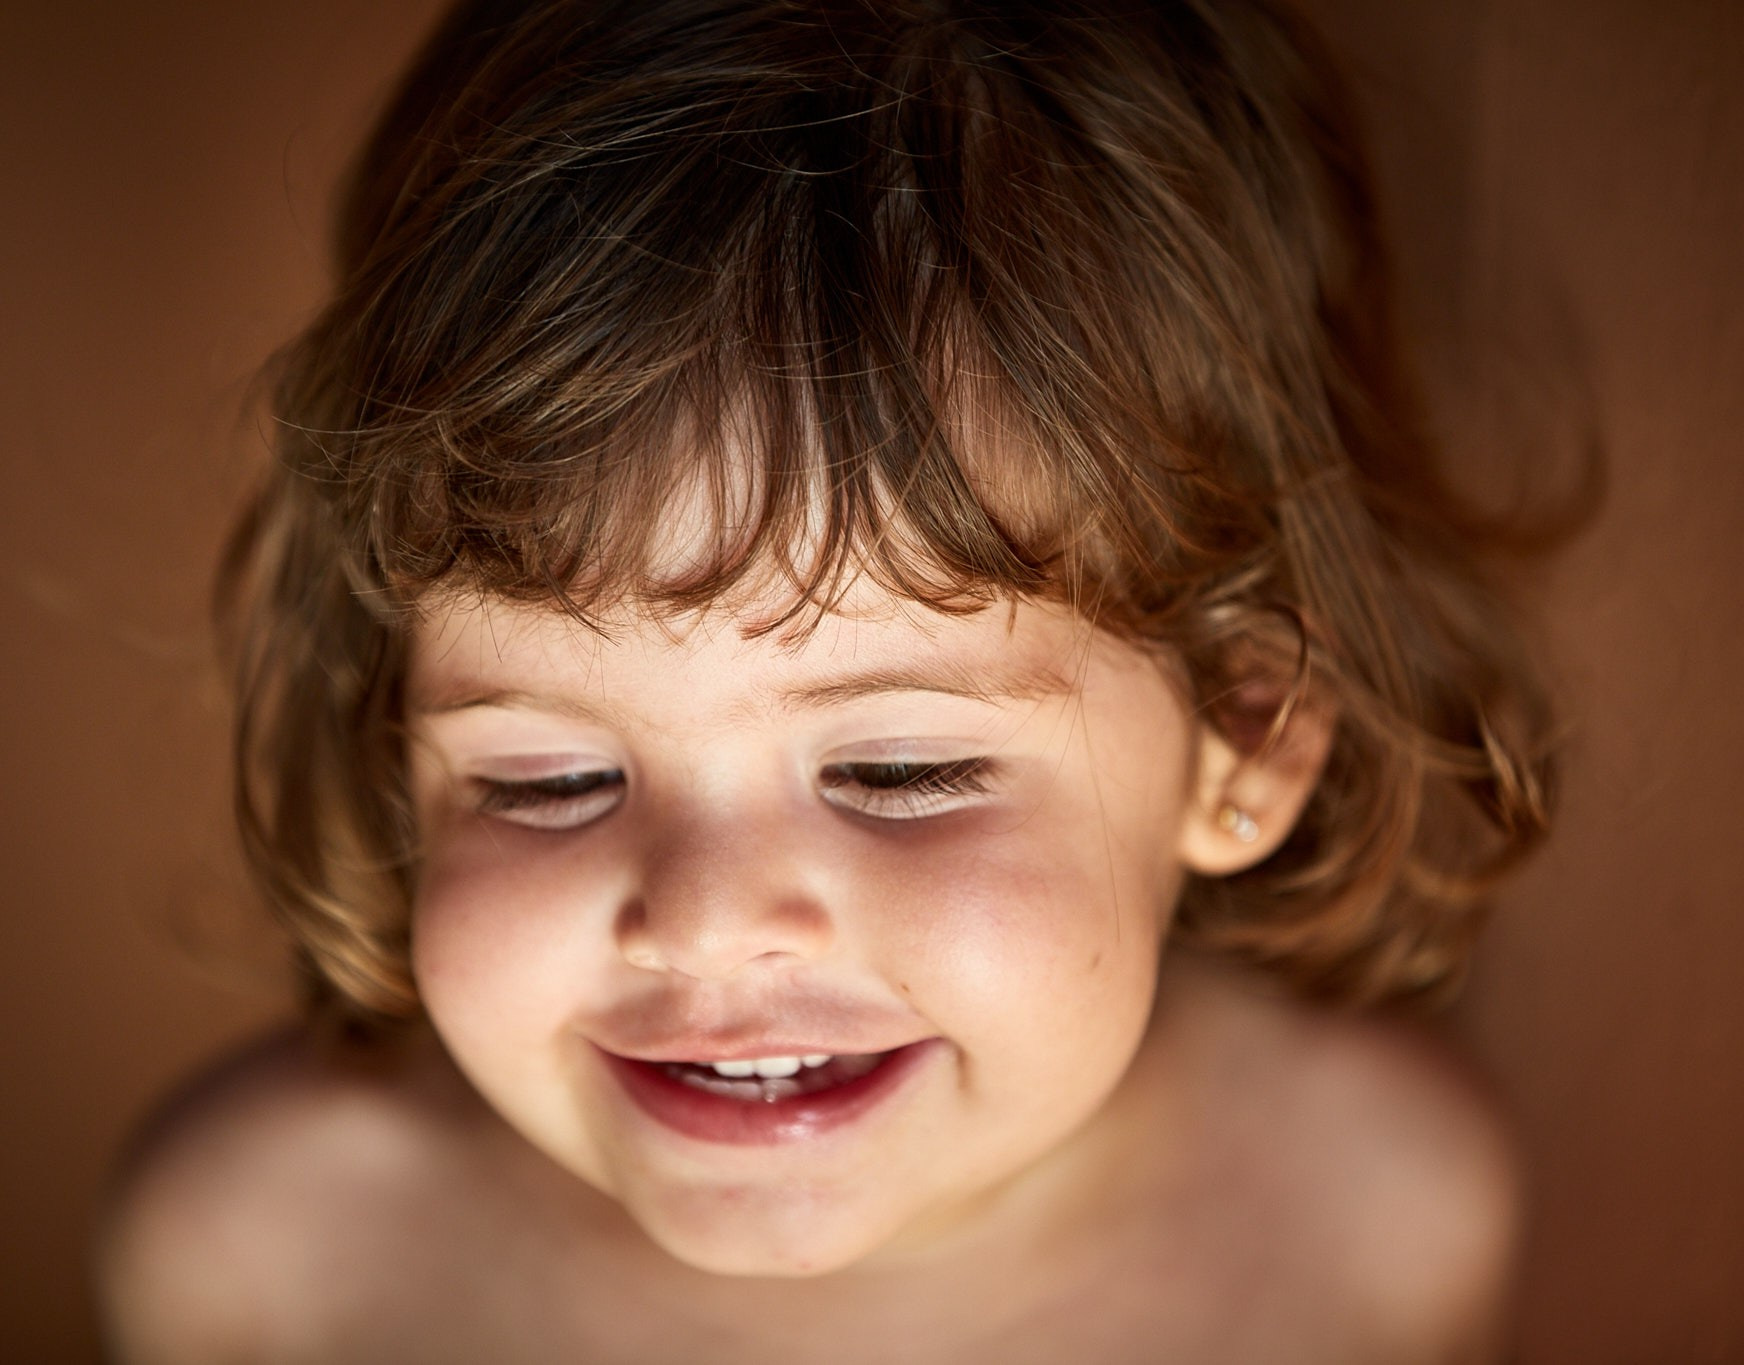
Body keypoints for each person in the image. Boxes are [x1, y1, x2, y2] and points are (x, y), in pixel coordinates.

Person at [95, 0, 1556, 1358]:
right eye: (548, 780)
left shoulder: (1376, 1211)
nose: (710, 927)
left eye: (897, 769)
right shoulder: (272, 1256)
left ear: (1245, 738)